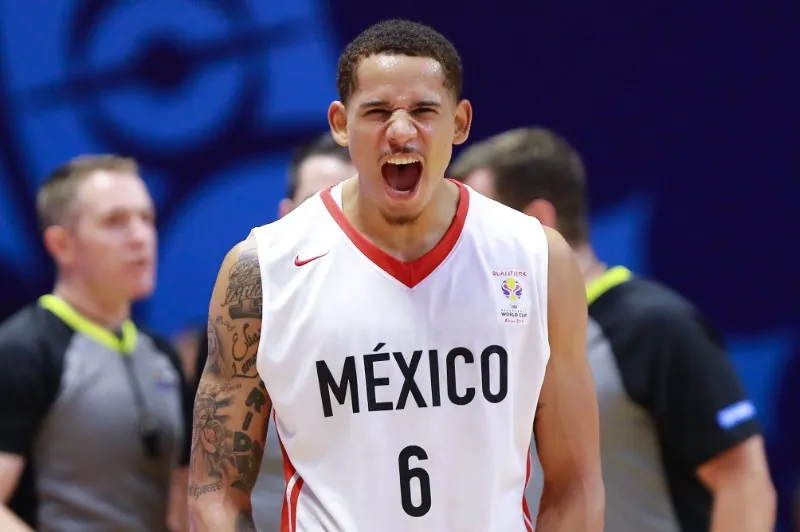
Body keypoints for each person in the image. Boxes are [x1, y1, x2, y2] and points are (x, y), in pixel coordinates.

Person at [188, 19, 604, 532]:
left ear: (460, 122)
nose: (402, 131)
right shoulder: (262, 270)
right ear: (341, 123)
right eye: (378, 112)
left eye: (424, 111)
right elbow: (215, 492)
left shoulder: (537, 258)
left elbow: (576, 483)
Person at [450, 126, 777, 531]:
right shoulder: (490, 345)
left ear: (536, 222)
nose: (460, 252)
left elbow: (743, 479)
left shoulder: (654, 327)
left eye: (477, 230)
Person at [0, 155, 193, 532]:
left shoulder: (161, 355)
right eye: (115, 222)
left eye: (146, 218)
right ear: (62, 244)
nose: (140, 237)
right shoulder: (22, 351)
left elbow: (183, 504)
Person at [189, 132, 354, 531]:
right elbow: (209, 488)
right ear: (285, 213)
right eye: (316, 203)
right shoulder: (247, 310)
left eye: (349, 203)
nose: (334, 217)